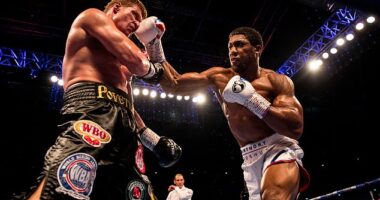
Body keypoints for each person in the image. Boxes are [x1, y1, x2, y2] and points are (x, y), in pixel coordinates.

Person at [22, 0, 182, 199]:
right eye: (134, 15)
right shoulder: (92, 16)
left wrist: (151, 139)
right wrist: (151, 51)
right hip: (91, 108)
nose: (137, 24)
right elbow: (141, 66)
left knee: (136, 192)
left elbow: (129, 100)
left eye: (141, 21)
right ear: (116, 8)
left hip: (124, 120)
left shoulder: (123, 53)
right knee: (64, 185)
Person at [160, 27, 310, 200]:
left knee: (274, 196)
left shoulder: (276, 81)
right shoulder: (219, 77)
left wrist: (252, 99)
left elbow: (295, 128)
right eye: (230, 46)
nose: (233, 51)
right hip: (248, 157)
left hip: (278, 148)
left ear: (257, 49)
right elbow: (174, 84)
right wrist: (154, 45)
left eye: (239, 45)